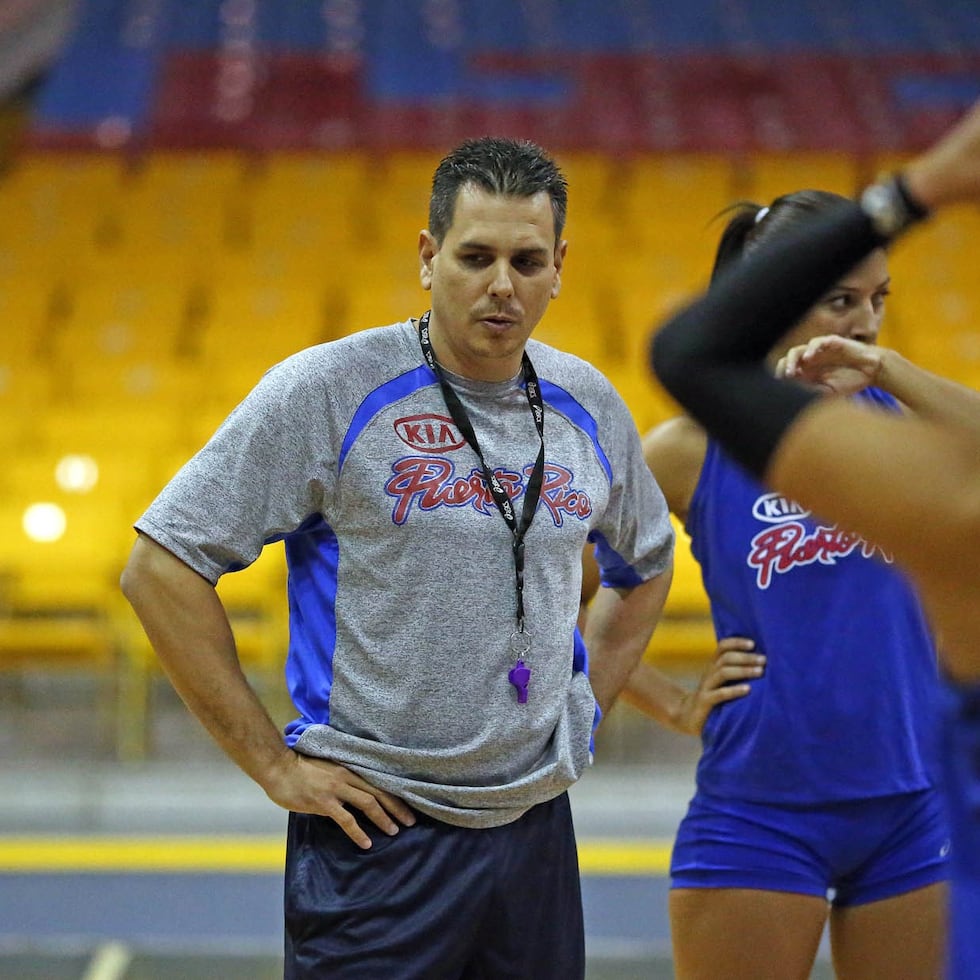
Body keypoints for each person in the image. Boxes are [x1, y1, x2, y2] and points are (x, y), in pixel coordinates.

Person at [120, 136, 675, 979]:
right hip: (375, 832)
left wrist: (584, 705)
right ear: (428, 256)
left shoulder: (587, 402)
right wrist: (272, 765)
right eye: (476, 256)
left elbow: (646, 563)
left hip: (534, 830)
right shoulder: (329, 389)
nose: (502, 285)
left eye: (527, 261)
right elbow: (160, 568)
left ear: (559, 267)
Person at [650, 99, 980, 980]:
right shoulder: (688, 452)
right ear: (777, 297)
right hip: (760, 809)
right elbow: (555, 580)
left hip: (914, 807)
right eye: (841, 301)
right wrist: (666, 699)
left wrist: (890, 370)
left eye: (878, 301)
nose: (864, 324)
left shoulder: (902, 429)